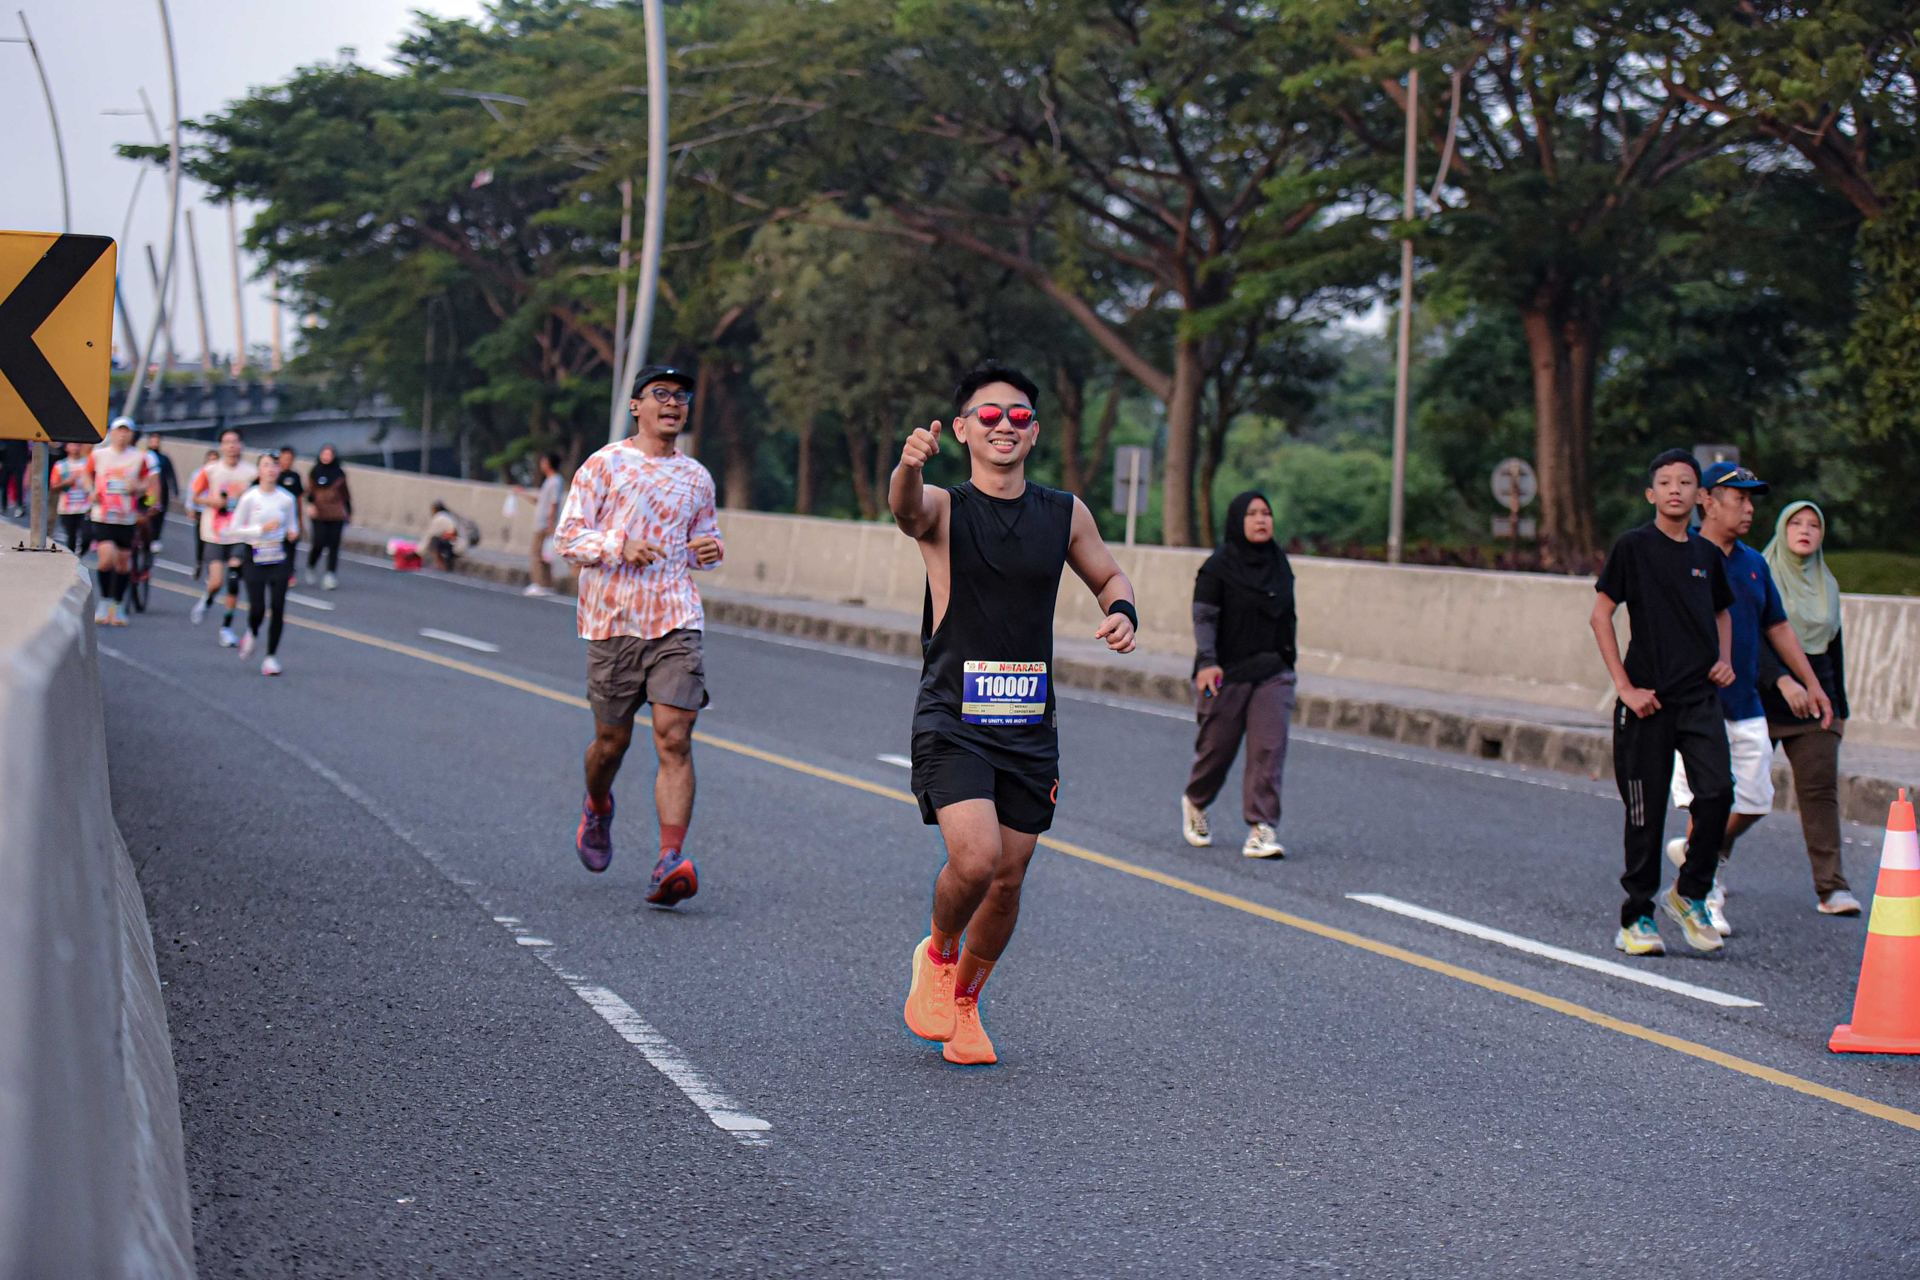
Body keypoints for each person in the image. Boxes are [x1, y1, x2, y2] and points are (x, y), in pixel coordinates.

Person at [892, 361, 1137, 1066]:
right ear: (962, 429)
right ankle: (939, 955)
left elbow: (1108, 573)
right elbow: (907, 510)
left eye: (1020, 415)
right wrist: (908, 467)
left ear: (1034, 431)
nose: (1005, 425)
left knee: (1008, 878)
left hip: (1029, 724)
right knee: (976, 859)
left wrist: (1122, 610)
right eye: (990, 415)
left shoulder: (1064, 513)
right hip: (953, 716)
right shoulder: (945, 508)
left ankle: (967, 1002)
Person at [554, 365, 724, 907]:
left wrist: (711, 550)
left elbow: (707, 539)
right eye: (660, 394)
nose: (673, 403)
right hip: (613, 622)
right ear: (636, 406)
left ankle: (668, 859)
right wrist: (618, 545)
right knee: (611, 744)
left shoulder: (697, 477)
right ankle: (598, 805)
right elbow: (567, 538)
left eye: (681, 396)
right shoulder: (604, 464)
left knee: (675, 736)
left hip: (676, 617)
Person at [1662, 462, 1832, 937]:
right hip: (1697, 708)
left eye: (1751, 499)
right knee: (1706, 803)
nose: (1749, 508)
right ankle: (1701, 895)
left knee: (1755, 802)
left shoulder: (1754, 563)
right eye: (1739, 498)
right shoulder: (1680, 555)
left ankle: (1696, 855)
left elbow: (1777, 626)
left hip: (1747, 706)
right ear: (1707, 501)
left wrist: (1811, 683)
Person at [1590, 448, 1738, 956]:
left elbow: (1723, 613)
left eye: (1686, 482)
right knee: (1645, 813)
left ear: (1701, 496)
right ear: (1652, 494)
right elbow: (1600, 615)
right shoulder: (1633, 547)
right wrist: (1625, 688)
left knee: (1717, 794)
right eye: (1666, 482)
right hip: (1646, 703)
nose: (1676, 489)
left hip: (1699, 699)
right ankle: (1636, 918)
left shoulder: (1706, 556)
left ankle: (1689, 893)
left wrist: (1724, 659)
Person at [1758, 501, 1863, 916]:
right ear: (1782, 531)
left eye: (1814, 525)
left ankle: (1832, 887)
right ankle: (1708, 869)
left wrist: (1840, 710)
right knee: (1743, 796)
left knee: (1821, 794)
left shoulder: (1826, 584)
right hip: (1761, 701)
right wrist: (1781, 681)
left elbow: (1833, 650)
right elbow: (1751, 641)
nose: (1805, 531)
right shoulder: (1759, 575)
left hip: (1816, 706)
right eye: (1796, 523)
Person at [1181, 491, 1297, 859]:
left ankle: (1261, 829)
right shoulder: (1217, 567)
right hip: (1224, 672)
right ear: (1237, 520)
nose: (1261, 520)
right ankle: (1196, 800)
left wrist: (1288, 661)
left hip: (1273, 672)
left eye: (1266, 513)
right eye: (1252, 514)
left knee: (1268, 750)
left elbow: (1287, 617)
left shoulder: (1279, 564)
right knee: (1216, 751)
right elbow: (1204, 618)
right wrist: (1207, 662)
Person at [225, 452, 300, 675]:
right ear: (259, 470)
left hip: (278, 555)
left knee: (278, 606)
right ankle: (252, 632)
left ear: (279, 470)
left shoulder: (287, 499)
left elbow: (292, 525)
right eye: (266, 465)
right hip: (255, 555)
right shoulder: (250, 498)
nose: (270, 469)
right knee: (258, 607)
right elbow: (234, 530)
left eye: (274, 465)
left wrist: (292, 532)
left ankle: (270, 657)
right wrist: (260, 530)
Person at [82, 417, 158, 626]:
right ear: (112, 433)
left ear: (132, 435)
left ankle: (117, 605)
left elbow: (149, 482)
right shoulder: (99, 454)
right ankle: (105, 601)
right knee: (106, 559)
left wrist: (139, 489)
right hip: (103, 514)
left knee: (123, 564)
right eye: (119, 431)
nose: (123, 435)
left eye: (127, 431)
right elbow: (87, 474)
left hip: (126, 517)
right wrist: (90, 491)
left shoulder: (139, 457)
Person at [190, 428, 258, 647]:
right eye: (227, 442)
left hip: (240, 534)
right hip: (215, 533)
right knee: (216, 581)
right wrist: (214, 502)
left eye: (235, 442)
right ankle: (208, 598)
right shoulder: (210, 471)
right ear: (221, 446)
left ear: (241, 445)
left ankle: (226, 628)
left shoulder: (251, 473)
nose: (231, 446)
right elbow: (195, 497)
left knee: (234, 579)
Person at [518, 451, 564, 597]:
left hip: (544, 524)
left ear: (548, 463)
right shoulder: (550, 481)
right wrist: (523, 493)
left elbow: (554, 504)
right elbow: (541, 501)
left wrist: (551, 525)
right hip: (543, 522)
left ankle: (539, 584)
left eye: (544, 461)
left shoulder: (555, 481)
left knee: (536, 554)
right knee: (545, 556)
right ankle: (547, 585)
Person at [305, 444, 350, 589]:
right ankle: (311, 564)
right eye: (324, 454)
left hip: (336, 514)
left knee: (334, 545)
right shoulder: (315, 472)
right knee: (318, 542)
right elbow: (310, 491)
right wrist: (310, 504)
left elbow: (345, 494)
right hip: (319, 513)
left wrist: (348, 511)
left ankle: (330, 575)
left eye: (329, 454)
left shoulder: (339, 474)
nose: (326, 457)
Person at [51, 442, 93, 554]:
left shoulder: (87, 464)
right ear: (66, 447)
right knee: (71, 537)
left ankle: (80, 553)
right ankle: (73, 557)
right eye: (72, 445)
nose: (75, 448)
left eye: (77, 445)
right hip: (67, 508)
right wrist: (66, 482)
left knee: (87, 535)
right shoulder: (60, 465)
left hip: (85, 507)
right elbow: (53, 486)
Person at [140, 432, 178, 552]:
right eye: (153, 441)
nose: (155, 443)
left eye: (157, 441)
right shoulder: (144, 456)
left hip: (162, 492)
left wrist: (174, 489)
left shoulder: (164, 459)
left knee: (158, 514)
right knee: (147, 513)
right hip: (148, 492)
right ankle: (144, 538)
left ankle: (155, 539)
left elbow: (171, 474)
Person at [274, 445, 306, 572]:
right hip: (276, 516)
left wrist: (300, 520)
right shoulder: (274, 475)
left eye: (289, 459)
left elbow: (299, 499)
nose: (287, 461)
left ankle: (290, 571)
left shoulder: (295, 476)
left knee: (291, 545)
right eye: (284, 458)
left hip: (291, 516)